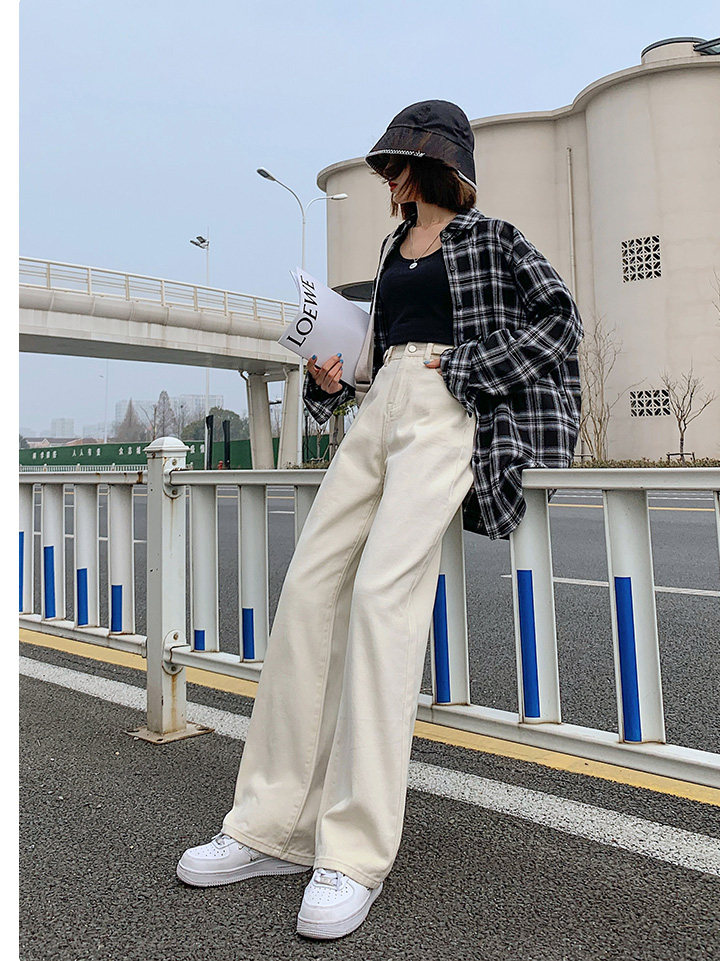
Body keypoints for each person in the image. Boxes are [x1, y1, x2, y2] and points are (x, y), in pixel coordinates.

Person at [176, 100, 583, 940]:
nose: (388, 179)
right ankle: (270, 827)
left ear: (433, 165)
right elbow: (374, 359)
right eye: (387, 167)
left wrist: (469, 367)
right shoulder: (393, 248)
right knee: (308, 590)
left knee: (380, 602)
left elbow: (560, 321)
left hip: (445, 410)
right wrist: (332, 383)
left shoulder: (494, 239)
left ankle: (352, 853)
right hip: (379, 408)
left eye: (397, 165)